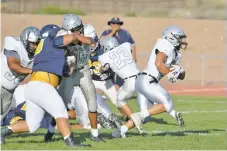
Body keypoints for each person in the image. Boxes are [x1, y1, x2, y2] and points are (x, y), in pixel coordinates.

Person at [0, 24, 91, 147]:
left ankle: (3, 131)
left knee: (32, 125)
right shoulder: (52, 41)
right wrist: (85, 40)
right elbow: (71, 39)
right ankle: (71, 142)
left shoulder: (44, 51)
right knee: (61, 113)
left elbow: (66, 72)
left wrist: (70, 57)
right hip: (43, 86)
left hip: (33, 87)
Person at [112, 26, 187, 138]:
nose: (182, 41)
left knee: (146, 117)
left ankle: (120, 131)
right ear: (172, 37)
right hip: (148, 80)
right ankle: (138, 115)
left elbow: (178, 76)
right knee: (167, 104)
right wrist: (169, 72)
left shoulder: (174, 52)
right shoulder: (166, 45)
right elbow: (158, 63)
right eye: (180, 38)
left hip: (143, 80)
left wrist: (180, 72)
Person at [56, 14, 104, 142]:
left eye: (78, 28)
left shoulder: (88, 29)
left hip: (84, 70)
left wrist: (75, 36)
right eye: (73, 30)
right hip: (69, 73)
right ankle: (50, 131)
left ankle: (95, 134)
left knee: (92, 101)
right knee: (59, 103)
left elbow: (91, 41)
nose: (77, 30)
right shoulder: (61, 33)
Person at [98, 36, 141, 130]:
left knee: (119, 100)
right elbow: (130, 48)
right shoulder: (125, 45)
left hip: (130, 81)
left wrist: (102, 70)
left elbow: (103, 69)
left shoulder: (104, 57)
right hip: (141, 77)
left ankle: (134, 119)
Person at [1, 26, 40, 123]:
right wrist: (32, 70)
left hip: (9, 90)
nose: (35, 47)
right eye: (33, 44)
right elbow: (13, 65)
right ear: (25, 40)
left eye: (37, 44)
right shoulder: (14, 43)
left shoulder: (38, 54)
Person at [101, 17, 137, 91]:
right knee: (108, 76)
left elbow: (132, 45)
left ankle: (118, 90)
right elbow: (101, 41)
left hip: (122, 59)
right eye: (113, 23)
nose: (116, 25)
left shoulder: (125, 33)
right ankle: (108, 91)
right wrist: (112, 32)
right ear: (110, 24)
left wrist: (134, 57)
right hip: (110, 59)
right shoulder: (106, 32)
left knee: (121, 77)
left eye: (118, 23)